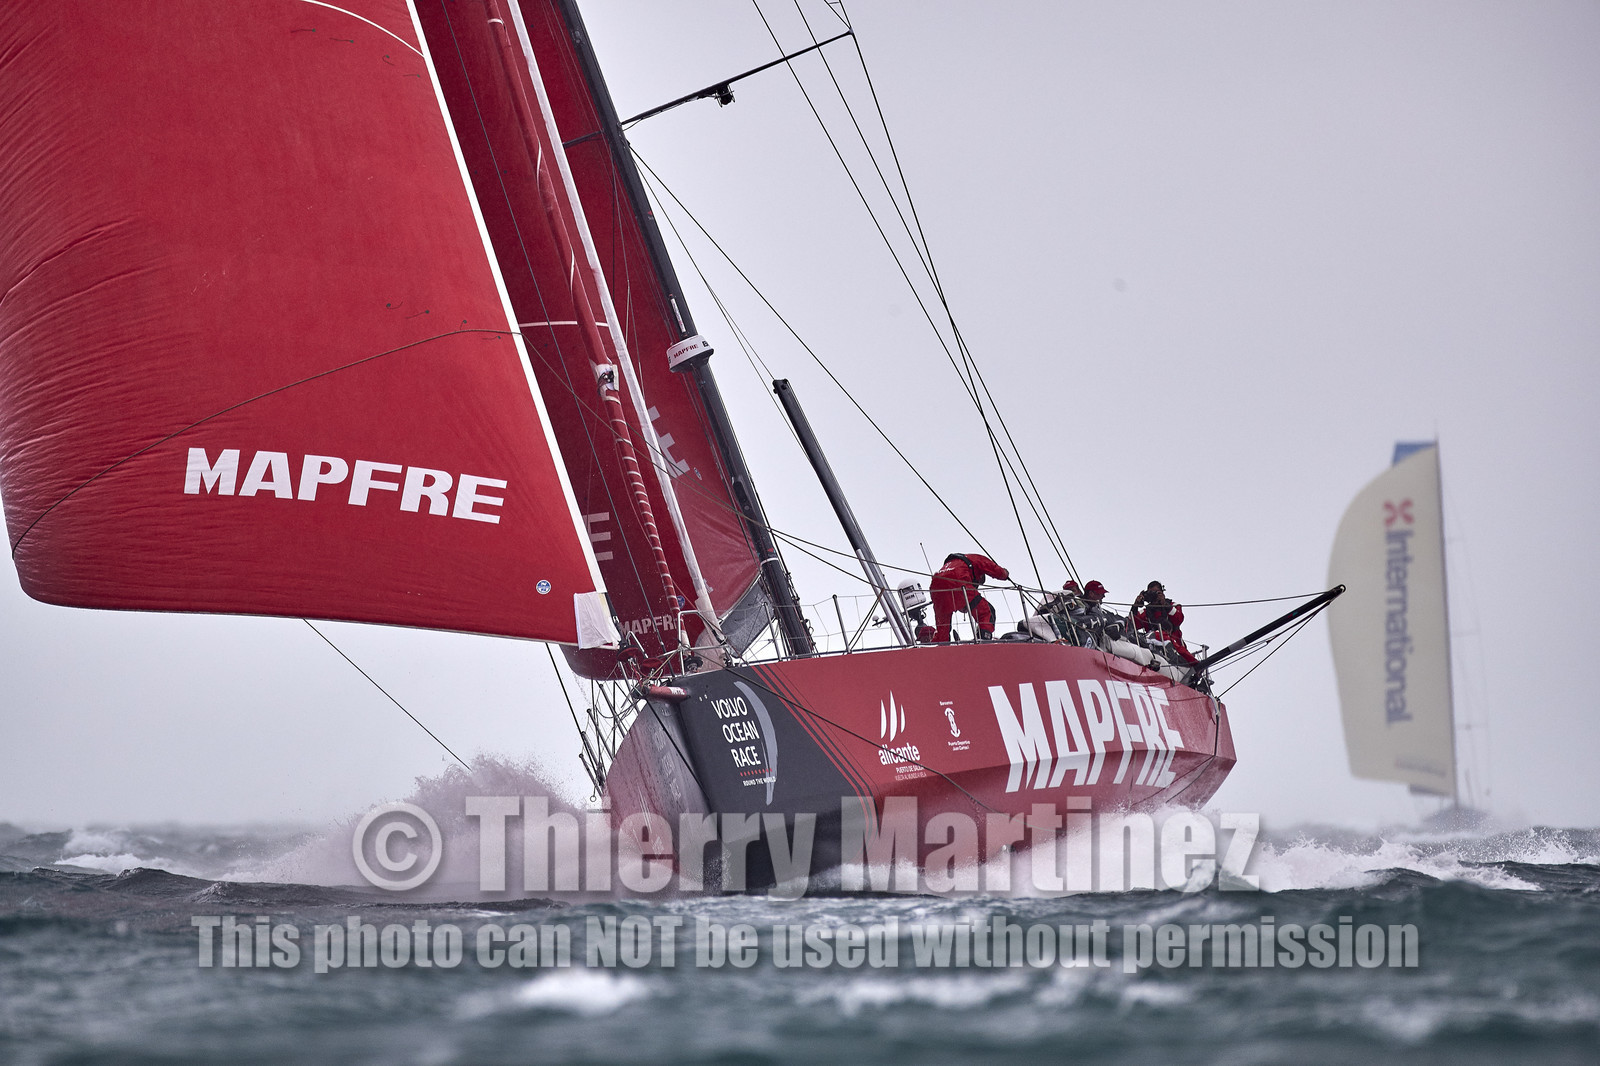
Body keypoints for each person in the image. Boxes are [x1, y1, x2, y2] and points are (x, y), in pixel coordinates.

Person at [927, 552, 1009, 642]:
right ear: (980, 577)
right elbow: (995, 569)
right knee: (986, 612)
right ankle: (984, 640)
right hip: (958, 580)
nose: (976, 587)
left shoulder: (953, 564)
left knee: (942, 625)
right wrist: (1005, 574)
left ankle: (940, 646)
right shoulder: (976, 558)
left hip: (936, 585)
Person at [1134, 580, 1197, 664]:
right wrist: (1135, 606)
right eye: (1151, 593)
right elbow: (1132, 623)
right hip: (1152, 643)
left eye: (1155, 593)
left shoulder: (1172, 605)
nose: (1153, 596)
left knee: (1176, 648)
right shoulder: (1146, 611)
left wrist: (1165, 605)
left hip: (1174, 644)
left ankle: (1194, 665)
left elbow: (1179, 619)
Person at [1026, 579, 1088, 643]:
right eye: (1067, 590)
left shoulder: (1083, 603)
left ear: (1079, 590)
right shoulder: (1059, 600)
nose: (1071, 593)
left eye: (1073, 590)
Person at [1079, 580, 1125, 645]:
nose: (1103, 596)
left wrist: (1116, 626)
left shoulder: (1098, 610)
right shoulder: (1079, 606)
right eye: (1100, 593)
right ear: (1091, 594)